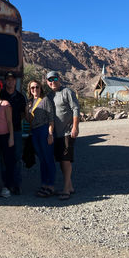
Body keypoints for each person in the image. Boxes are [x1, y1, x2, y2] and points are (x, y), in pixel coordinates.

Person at [46, 70, 80, 200]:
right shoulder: (49, 96)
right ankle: (69, 186)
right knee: (61, 160)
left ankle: (66, 189)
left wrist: (75, 127)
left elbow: (75, 109)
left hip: (67, 131)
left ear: (59, 79)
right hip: (56, 133)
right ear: (47, 82)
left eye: (55, 79)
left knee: (66, 159)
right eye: (50, 80)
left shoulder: (67, 92)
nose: (53, 82)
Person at [26, 79, 56, 198]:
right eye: (32, 88)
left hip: (44, 130)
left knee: (48, 158)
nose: (35, 89)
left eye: (37, 87)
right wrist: (26, 109)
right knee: (42, 159)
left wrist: (50, 134)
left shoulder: (45, 100)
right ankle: (44, 184)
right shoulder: (30, 102)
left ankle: (51, 186)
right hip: (35, 131)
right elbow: (29, 120)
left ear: (40, 88)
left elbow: (51, 119)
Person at [0, 71, 27, 195]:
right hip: (3, 131)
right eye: (8, 79)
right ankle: (6, 184)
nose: (10, 81)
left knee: (17, 158)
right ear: (5, 81)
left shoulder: (20, 97)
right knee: (3, 158)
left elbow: (22, 114)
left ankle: (17, 185)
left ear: (15, 81)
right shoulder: (1, 95)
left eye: (12, 79)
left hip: (16, 130)